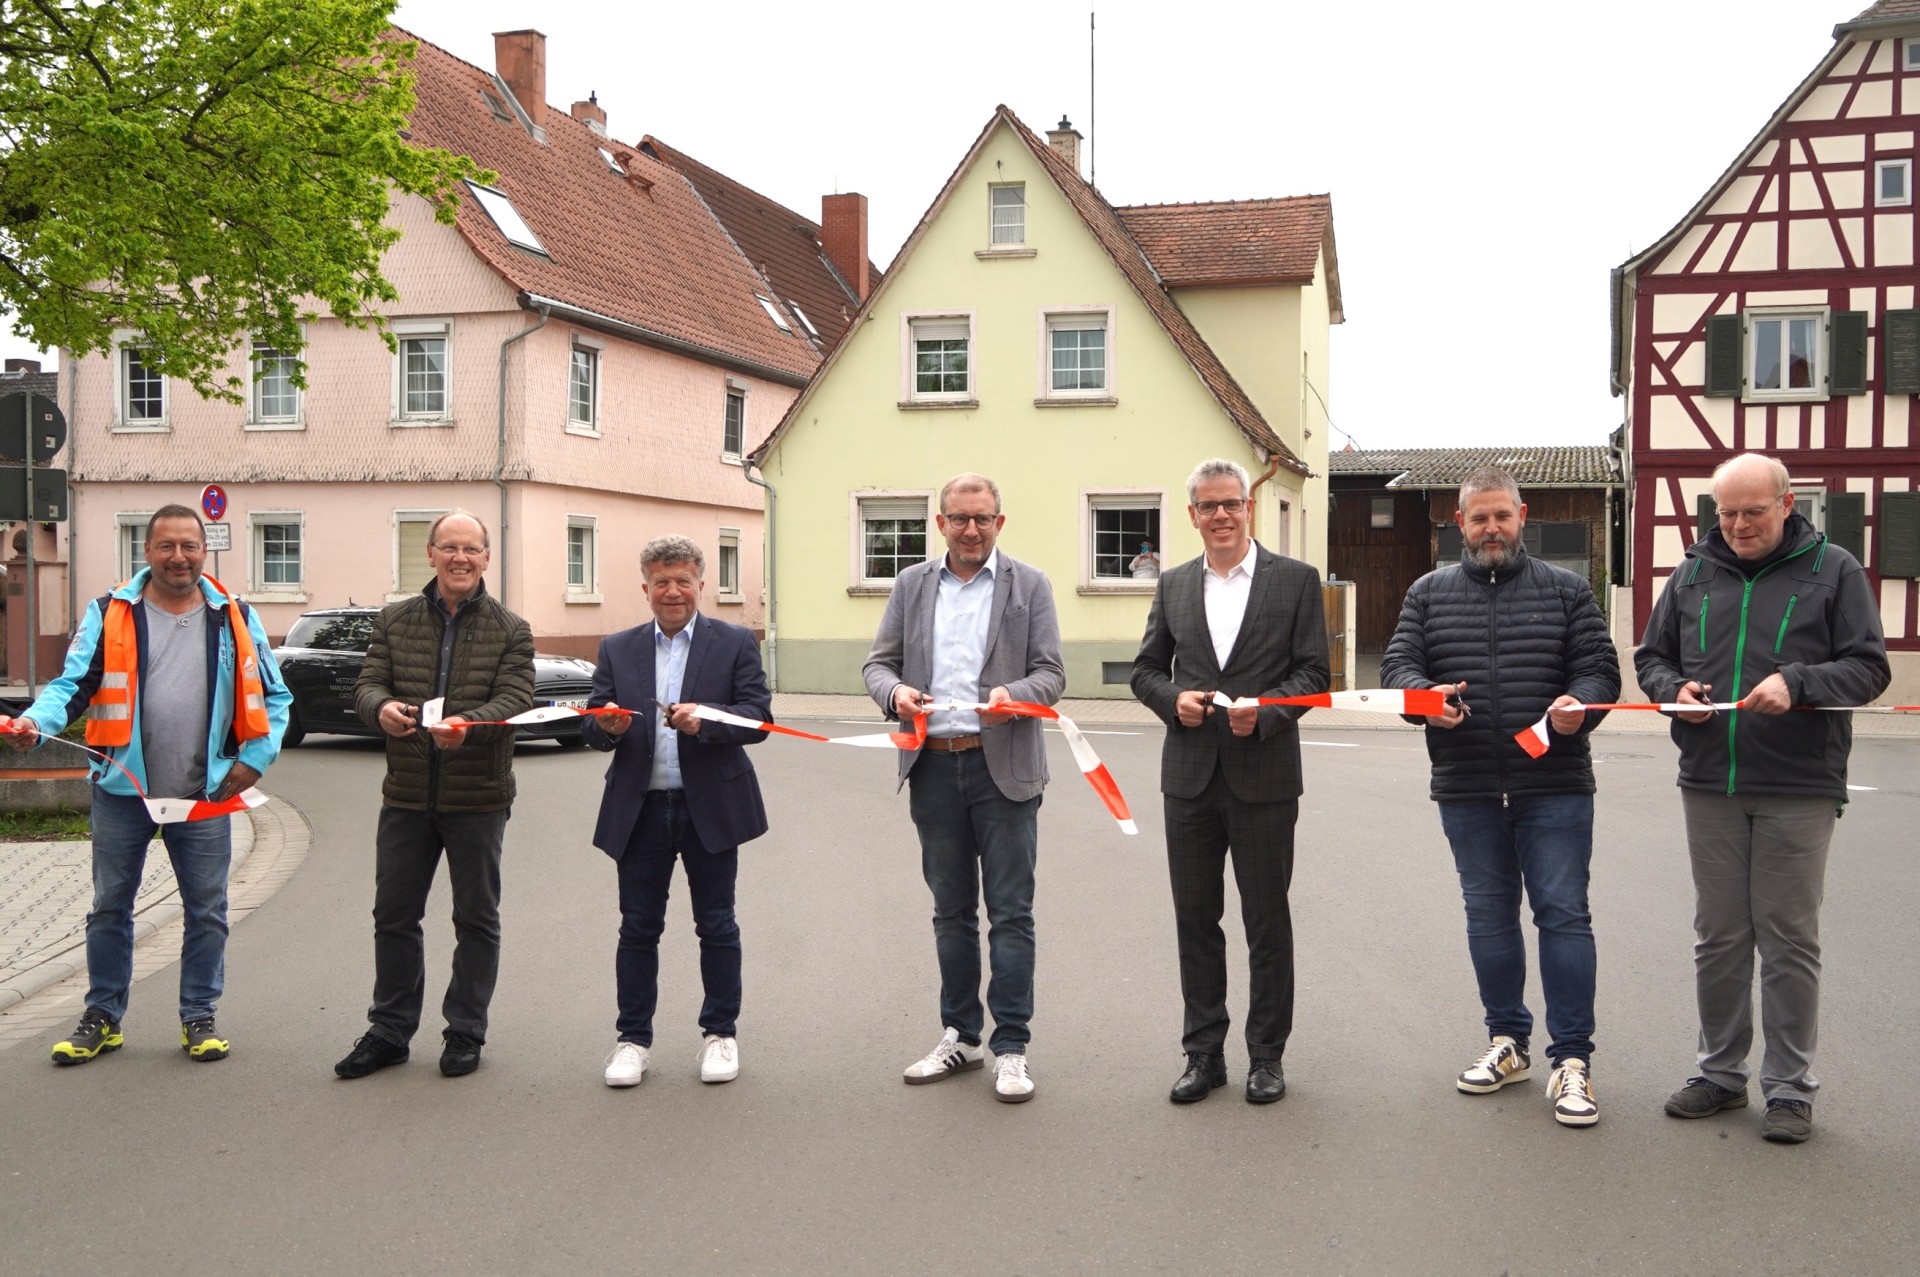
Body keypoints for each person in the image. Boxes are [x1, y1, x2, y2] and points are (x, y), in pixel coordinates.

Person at [1635, 452, 1889, 1144]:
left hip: (1799, 784)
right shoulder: (1691, 572)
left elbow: (1870, 667)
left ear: (1786, 505)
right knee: (1718, 936)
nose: (1740, 525)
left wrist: (1800, 682)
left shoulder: (1833, 569)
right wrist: (1673, 693)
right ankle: (1719, 1073)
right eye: (1728, 512)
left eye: (1754, 511)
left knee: (1787, 937)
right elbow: (1651, 658)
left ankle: (1789, 1086)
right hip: (1711, 778)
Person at [5, 503, 290, 1066]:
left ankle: (199, 1017)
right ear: (147, 551)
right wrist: (35, 725)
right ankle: (103, 1017)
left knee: (207, 908)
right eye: (166, 546)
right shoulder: (110, 611)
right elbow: (73, 684)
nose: (178, 557)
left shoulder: (233, 614)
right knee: (111, 905)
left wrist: (254, 760)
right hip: (122, 790)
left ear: (204, 551)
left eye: (189, 545)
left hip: (204, 792)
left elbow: (275, 696)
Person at [1379, 466, 1620, 1127]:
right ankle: (1507, 1041)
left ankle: (1572, 1061)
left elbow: (1600, 669)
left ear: (1522, 516)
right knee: (1488, 917)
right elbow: (1398, 669)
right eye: (1478, 518)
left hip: (1554, 783)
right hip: (1468, 784)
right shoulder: (1427, 594)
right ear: (1459, 523)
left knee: (1563, 916)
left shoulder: (1568, 591)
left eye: (1501, 516)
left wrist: (1582, 705)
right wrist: (1426, 703)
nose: (1491, 528)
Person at [1131, 458, 1329, 1106]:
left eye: (1231, 503)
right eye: (1208, 505)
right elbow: (1145, 671)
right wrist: (1173, 701)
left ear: (1250, 506)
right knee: (1196, 919)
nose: (1220, 514)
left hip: (1265, 775)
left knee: (1266, 921)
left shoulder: (1296, 581)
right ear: (1192, 515)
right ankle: (1203, 1053)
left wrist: (1267, 711)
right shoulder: (1174, 584)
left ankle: (1266, 1056)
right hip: (1188, 777)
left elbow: (1312, 675)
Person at [863, 473, 1064, 1103]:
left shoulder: (1029, 586)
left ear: (999, 523)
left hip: (1002, 768)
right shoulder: (911, 585)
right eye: (958, 518)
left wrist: (1017, 696)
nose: (970, 529)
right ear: (940, 523)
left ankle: (1011, 1047)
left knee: (1010, 914)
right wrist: (893, 694)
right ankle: (961, 1035)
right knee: (950, 912)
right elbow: (878, 664)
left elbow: (1052, 673)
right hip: (933, 767)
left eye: (982, 518)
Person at [333, 511, 533, 1080]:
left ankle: (465, 1032)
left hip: (479, 796)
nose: (460, 558)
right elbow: (369, 682)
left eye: (471, 549)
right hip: (406, 793)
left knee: (476, 918)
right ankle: (390, 1031)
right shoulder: (395, 620)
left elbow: (517, 698)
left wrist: (470, 722)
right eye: (450, 548)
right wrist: (381, 709)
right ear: (431, 553)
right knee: (394, 915)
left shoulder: (511, 628)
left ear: (487, 558)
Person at [584, 536, 771, 1089]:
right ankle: (632, 1041)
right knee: (638, 928)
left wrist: (705, 722)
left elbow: (758, 718)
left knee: (716, 925)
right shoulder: (618, 647)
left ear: (700, 585)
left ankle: (720, 1035)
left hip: (709, 805)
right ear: (645, 589)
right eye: (661, 581)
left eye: (682, 580)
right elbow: (592, 721)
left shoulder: (734, 642)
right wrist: (606, 725)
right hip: (639, 810)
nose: (672, 591)